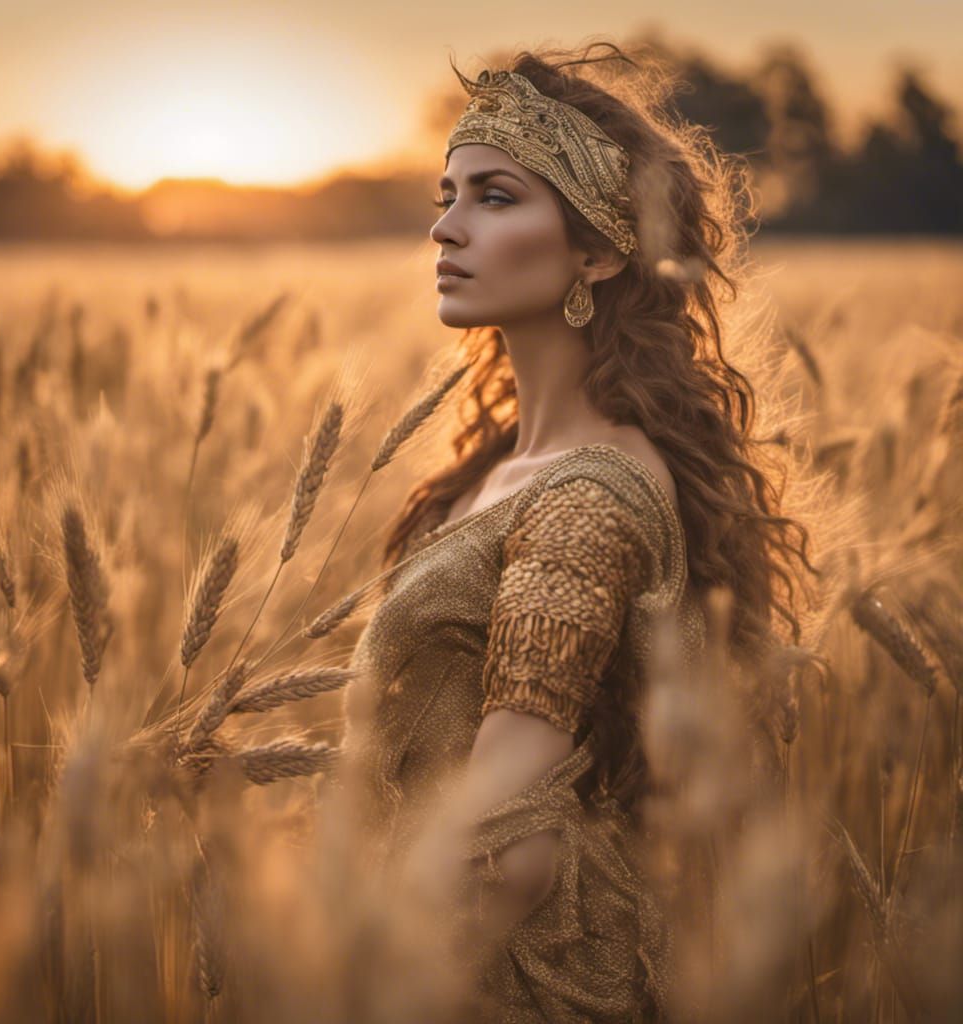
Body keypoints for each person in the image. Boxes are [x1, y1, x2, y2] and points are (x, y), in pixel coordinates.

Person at [342, 42, 817, 1022]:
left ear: (598, 250)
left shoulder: (586, 501)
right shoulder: (496, 470)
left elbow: (506, 843)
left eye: (494, 197)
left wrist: (365, 982)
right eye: (448, 193)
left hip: (515, 983)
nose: (444, 226)